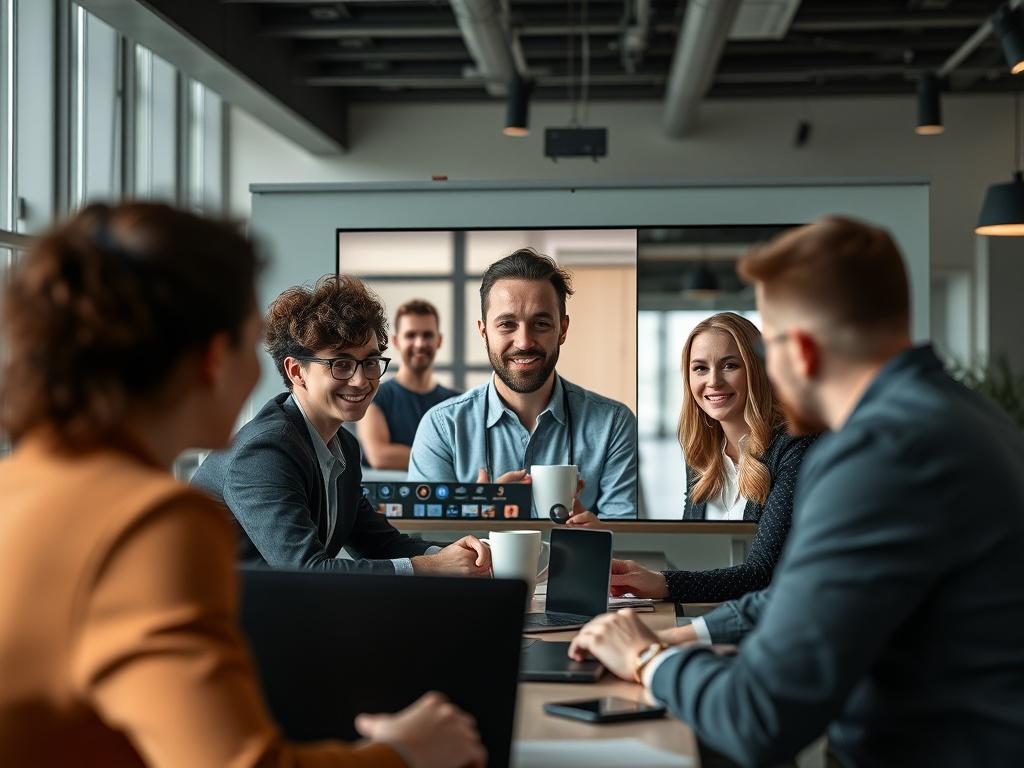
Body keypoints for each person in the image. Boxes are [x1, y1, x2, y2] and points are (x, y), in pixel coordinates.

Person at [0, 203, 486, 767]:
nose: (258, 373)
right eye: (250, 341)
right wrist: (404, 751)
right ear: (212, 355)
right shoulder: (151, 522)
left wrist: (445, 557)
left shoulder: (22, 484)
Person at [568, 216, 1024, 767]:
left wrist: (643, 658)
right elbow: (800, 593)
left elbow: (758, 716)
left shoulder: (879, 453)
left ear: (800, 352)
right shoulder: (968, 418)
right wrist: (681, 637)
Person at [192, 275, 490, 576]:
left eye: (370, 362)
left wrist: (454, 553)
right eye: (341, 364)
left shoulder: (343, 445)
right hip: (214, 617)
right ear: (297, 371)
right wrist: (432, 566)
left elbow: (379, 542)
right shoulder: (264, 450)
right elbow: (306, 570)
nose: (361, 381)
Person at [407, 248, 638, 523]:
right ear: (484, 332)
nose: (524, 341)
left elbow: (628, 540)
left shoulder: (614, 423)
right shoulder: (441, 427)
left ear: (562, 330)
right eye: (507, 324)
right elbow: (429, 546)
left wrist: (598, 537)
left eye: (540, 323)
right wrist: (480, 514)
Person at [611, 313, 814, 603]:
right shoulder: (700, 451)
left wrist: (662, 583)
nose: (713, 381)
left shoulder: (794, 447)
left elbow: (764, 574)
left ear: (757, 370)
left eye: (730, 365)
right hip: (709, 614)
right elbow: (688, 552)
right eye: (700, 369)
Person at [357, 299, 459, 470]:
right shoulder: (374, 395)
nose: (419, 344)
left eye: (427, 335)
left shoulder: (456, 402)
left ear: (439, 340)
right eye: (411, 335)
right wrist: (447, 457)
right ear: (396, 341)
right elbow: (380, 456)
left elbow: (471, 458)